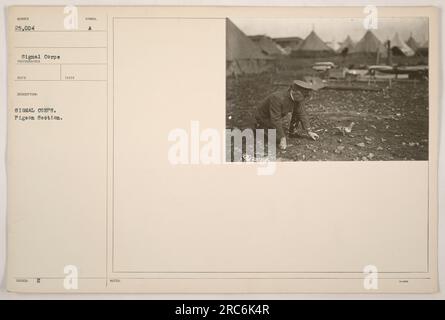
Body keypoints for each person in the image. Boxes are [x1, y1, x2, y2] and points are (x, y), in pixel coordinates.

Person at [254, 78, 322, 150]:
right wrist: (282, 137)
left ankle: (292, 132)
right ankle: (259, 128)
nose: (304, 99)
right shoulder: (277, 98)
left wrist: (309, 131)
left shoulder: (298, 98)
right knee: (277, 139)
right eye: (304, 96)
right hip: (264, 118)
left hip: (274, 117)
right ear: (296, 93)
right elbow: (275, 119)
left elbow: (302, 113)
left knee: (297, 112)